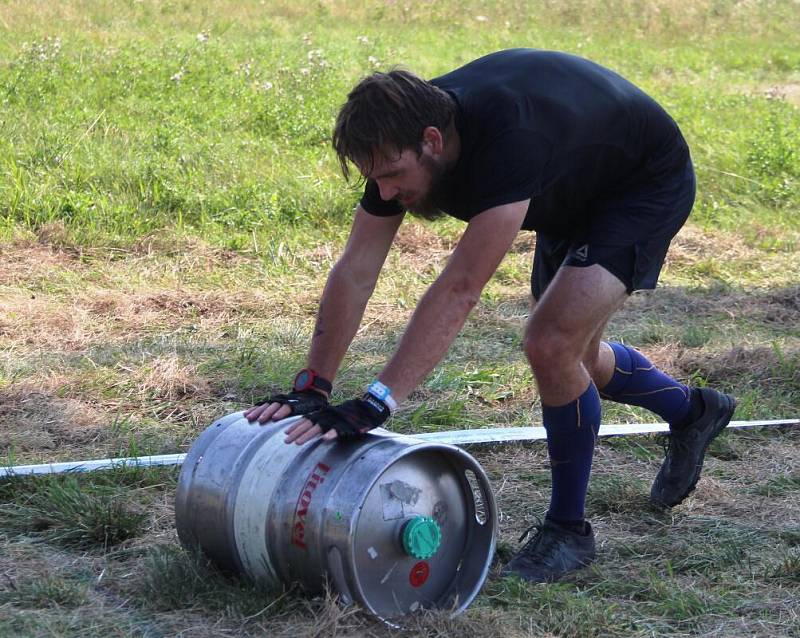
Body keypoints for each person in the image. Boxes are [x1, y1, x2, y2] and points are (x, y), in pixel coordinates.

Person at [244, 49, 736, 583]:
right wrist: (313, 385)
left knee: (550, 344)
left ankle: (568, 531)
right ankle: (693, 412)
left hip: (641, 182)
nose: (385, 193)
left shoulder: (507, 140)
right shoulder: (396, 140)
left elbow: (460, 290)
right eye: (374, 179)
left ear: (432, 141)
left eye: (391, 176)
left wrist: (376, 402)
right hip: (571, 182)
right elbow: (357, 268)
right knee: (575, 358)